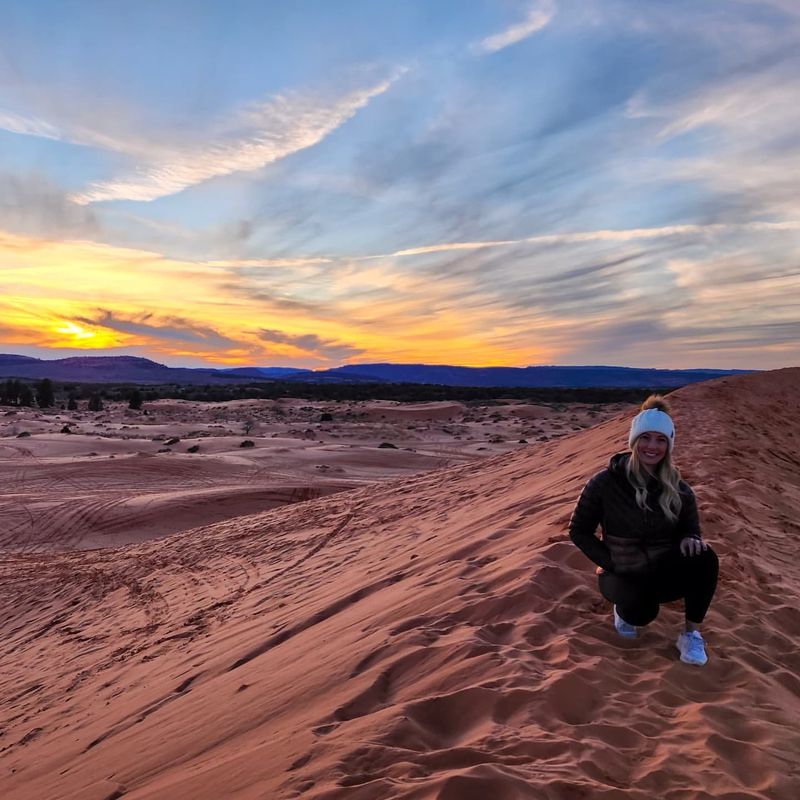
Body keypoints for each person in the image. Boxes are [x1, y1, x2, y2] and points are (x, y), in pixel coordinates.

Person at [568, 394, 718, 665]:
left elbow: (691, 528)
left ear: (669, 446)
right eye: (646, 438)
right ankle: (624, 609)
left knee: (705, 558)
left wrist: (690, 539)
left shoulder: (679, 489)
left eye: (661, 440)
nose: (653, 446)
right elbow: (578, 530)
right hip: (621, 572)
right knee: (640, 615)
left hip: (661, 570)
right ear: (634, 441)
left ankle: (690, 635)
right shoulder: (605, 483)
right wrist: (610, 561)